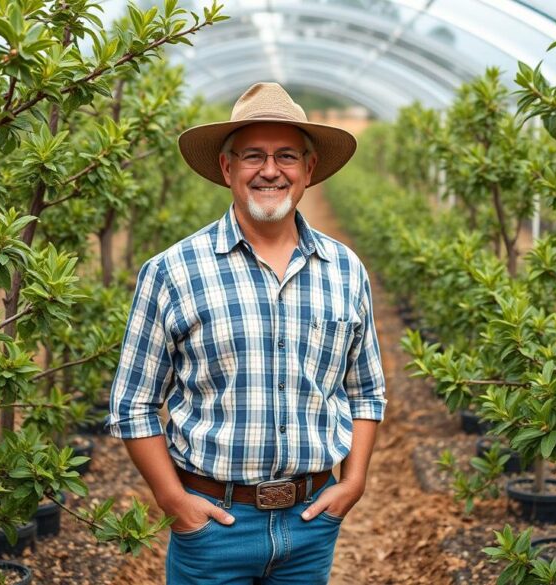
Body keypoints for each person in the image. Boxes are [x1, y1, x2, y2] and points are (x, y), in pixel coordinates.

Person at [107, 82, 387, 585]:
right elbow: (132, 403)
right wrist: (175, 502)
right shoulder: (173, 271)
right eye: (253, 155)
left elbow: (365, 389)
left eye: (286, 156)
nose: (270, 170)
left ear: (309, 169)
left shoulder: (346, 270)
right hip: (214, 524)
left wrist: (356, 482)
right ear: (227, 168)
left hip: (310, 524)